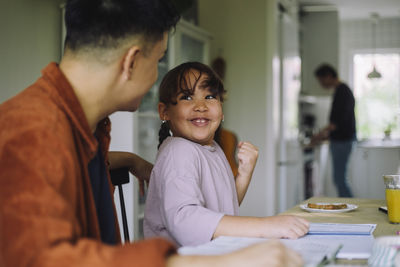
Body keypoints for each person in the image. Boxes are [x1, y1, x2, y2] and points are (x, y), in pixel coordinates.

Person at [0, 1, 303, 266]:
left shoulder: (79, 128)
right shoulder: (30, 132)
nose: (157, 74)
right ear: (131, 62)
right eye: (158, 60)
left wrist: (131, 161)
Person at [144, 62, 309, 247]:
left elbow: (224, 207)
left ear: (221, 110)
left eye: (210, 96)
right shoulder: (179, 151)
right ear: (164, 111)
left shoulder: (212, 148)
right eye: (187, 97)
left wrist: (244, 174)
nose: (201, 106)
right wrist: (266, 225)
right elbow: (185, 220)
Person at [311, 63, 356, 197]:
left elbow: (337, 122)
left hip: (342, 141)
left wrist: (319, 135)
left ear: (328, 76)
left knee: (339, 180)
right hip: (342, 140)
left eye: (321, 80)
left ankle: (350, 210)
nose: (321, 84)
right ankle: (349, 208)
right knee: (339, 179)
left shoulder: (342, 91)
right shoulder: (341, 90)